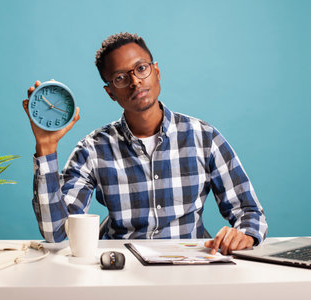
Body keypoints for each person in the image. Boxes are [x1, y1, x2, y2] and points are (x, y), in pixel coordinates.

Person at [23, 32, 268, 255]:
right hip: (119, 268)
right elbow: (56, 232)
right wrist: (46, 147)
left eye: (141, 68)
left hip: (191, 266)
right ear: (110, 92)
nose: (135, 81)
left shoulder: (204, 137)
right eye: (120, 77)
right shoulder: (93, 149)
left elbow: (249, 212)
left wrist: (244, 234)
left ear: (156, 71)